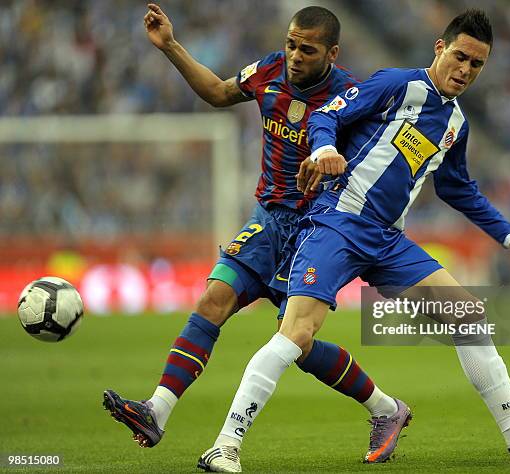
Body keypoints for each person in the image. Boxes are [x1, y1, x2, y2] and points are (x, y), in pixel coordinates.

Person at [200, 9, 510, 472]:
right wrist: (323, 148)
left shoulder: (455, 124)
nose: (465, 70)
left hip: (386, 239)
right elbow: (327, 114)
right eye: (460, 56)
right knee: (297, 334)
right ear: (440, 48)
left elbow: (457, 188)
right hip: (338, 221)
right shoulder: (398, 84)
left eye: (477, 65)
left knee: (467, 316)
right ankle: (225, 444)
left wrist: (509, 233)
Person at [102, 2, 410, 462]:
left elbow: (374, 166)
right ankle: (157, 409)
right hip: (268, 220)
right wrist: (170, 46)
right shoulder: (268, 70)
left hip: (318, 229)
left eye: (307, 49)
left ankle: (385, 408)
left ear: (332, 52)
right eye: (290, 44)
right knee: (213, 299)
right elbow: (217, 92)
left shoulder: (353, 95)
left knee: (299, 345)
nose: (294, 56)